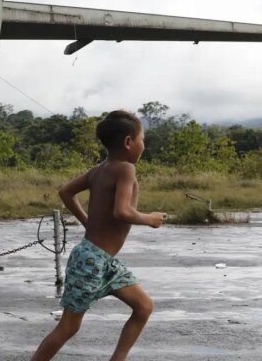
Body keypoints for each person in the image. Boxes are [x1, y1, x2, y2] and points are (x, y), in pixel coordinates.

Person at [31, 110, 168, 361]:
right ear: (129, 142)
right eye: (142, 139)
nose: (143, 145)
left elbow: (65, 192)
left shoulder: (99, 169)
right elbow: (122, 211)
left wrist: (87, 222)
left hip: (104, 261)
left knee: (144, 307)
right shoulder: (126, 169)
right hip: (91, 260)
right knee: (68, 327)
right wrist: (149, 218)